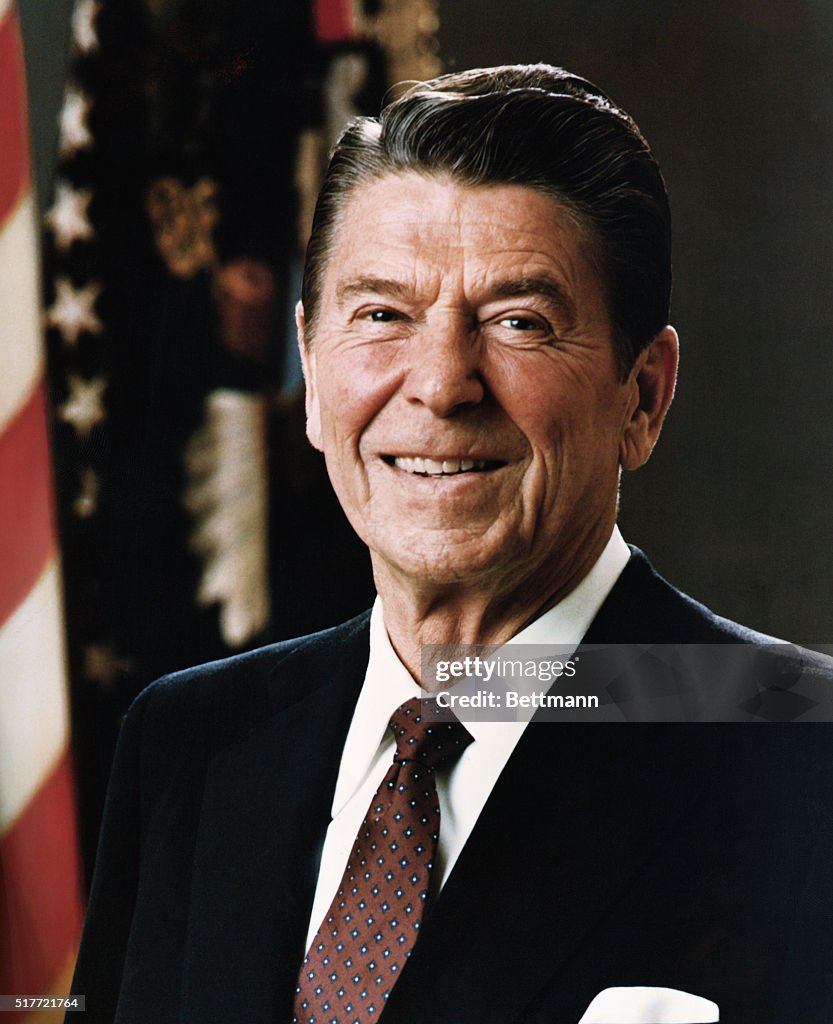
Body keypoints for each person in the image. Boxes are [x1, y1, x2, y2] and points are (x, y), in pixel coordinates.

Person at [70, 65, 833, 1024]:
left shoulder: (801, 751)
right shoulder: (190, 742)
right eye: (382, 315)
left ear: (642, 396)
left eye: (518, 322)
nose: (439, 385)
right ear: (311, 371)